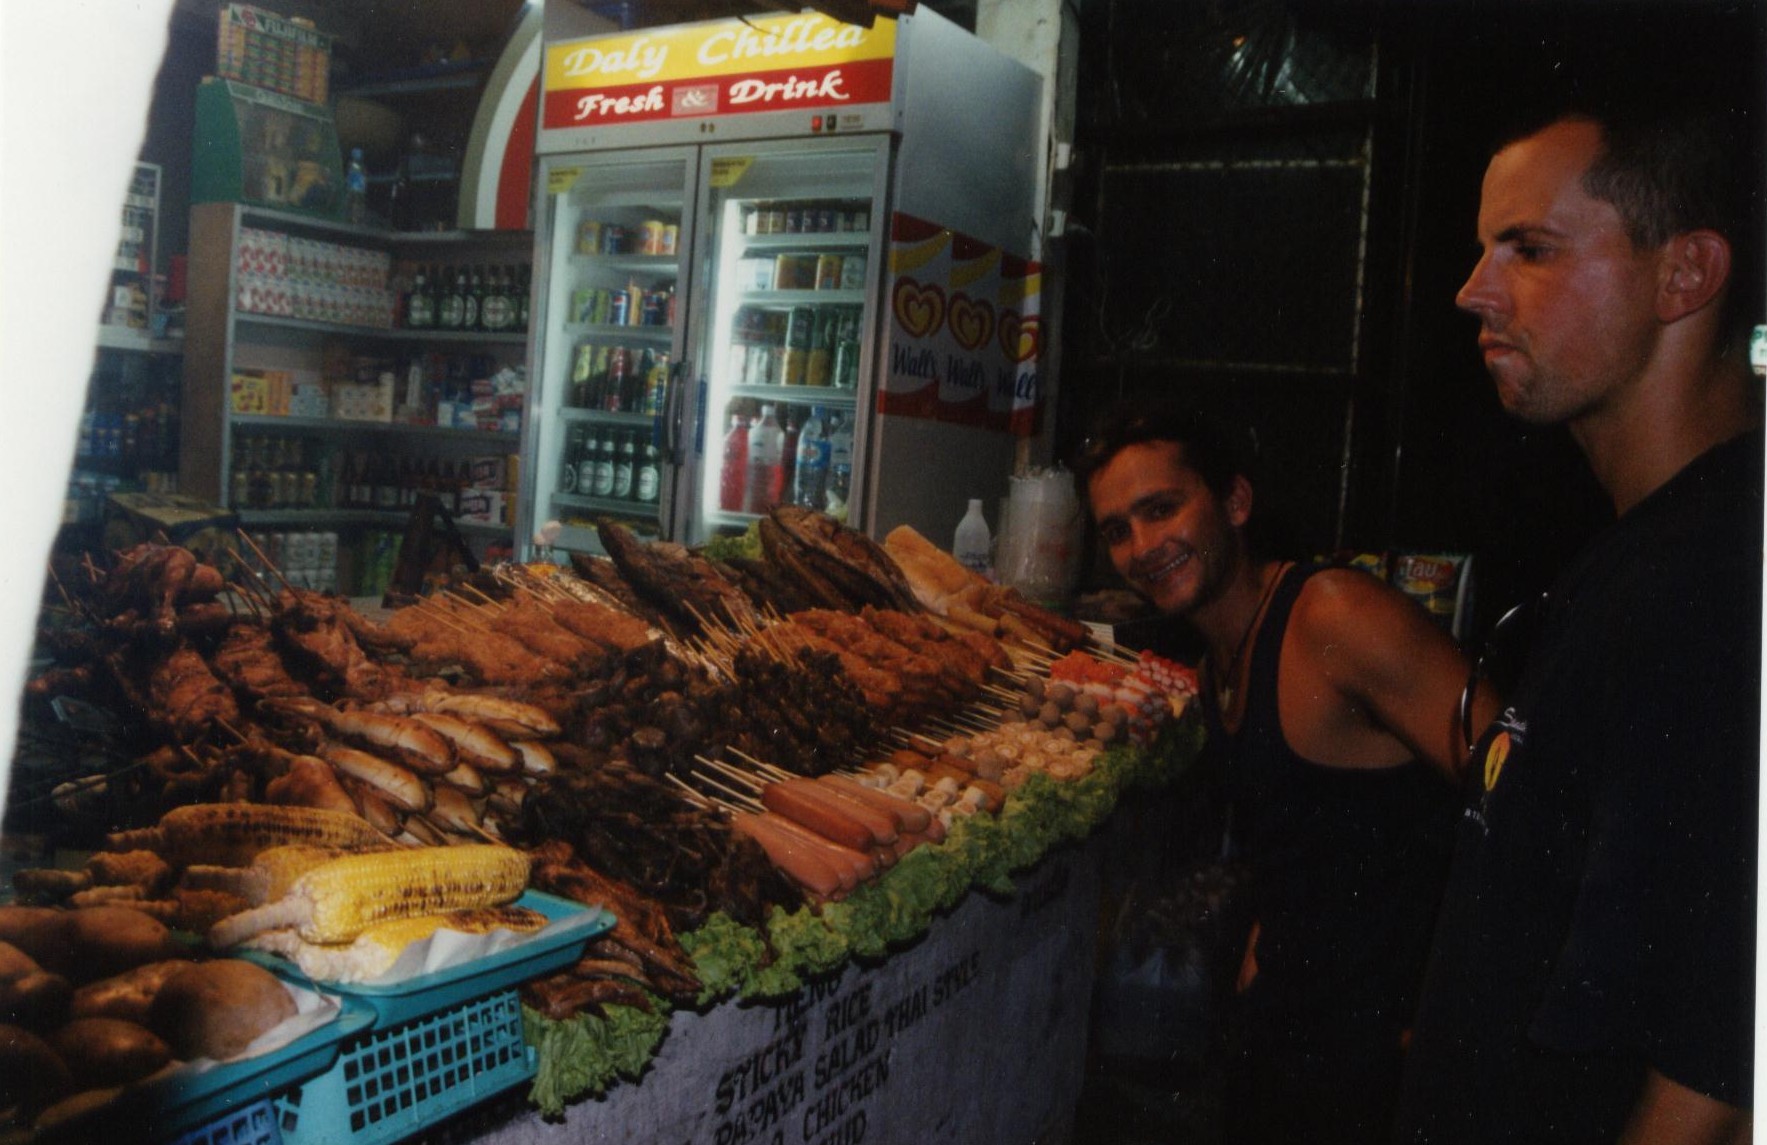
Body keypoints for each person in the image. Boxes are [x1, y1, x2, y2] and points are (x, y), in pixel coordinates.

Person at [1394, 95, 1761, 1145]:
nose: (1472, 291)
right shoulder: (1645, 546)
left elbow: (1711, 1078)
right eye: (1483, 250)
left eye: (1529, 249)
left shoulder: (1720, 583)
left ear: (1684, 274)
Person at [1077, 403, 1492, 1145]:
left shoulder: (1332, 615)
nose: (1142, 546)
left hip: (1382, 1060)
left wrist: (1457, 1012)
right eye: (1117, 530)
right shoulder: (1217, 664)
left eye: (1161, 509)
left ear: (1235, 502)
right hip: (1291, 1037)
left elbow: (1523, 784)